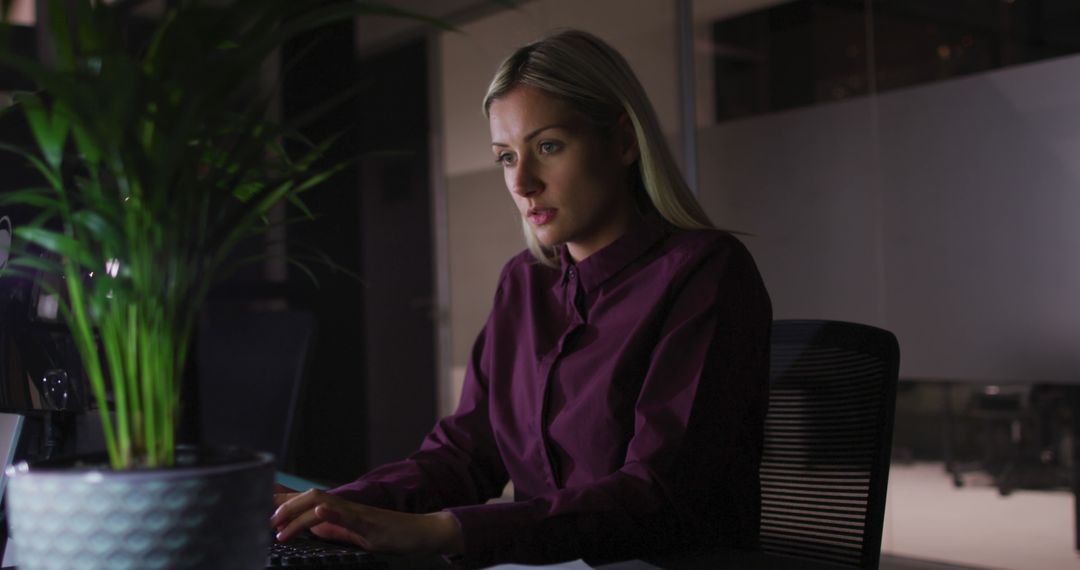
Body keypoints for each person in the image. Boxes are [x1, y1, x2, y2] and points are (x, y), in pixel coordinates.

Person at [271, 29, 772, 567]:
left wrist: (444, 530)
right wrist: (332, 509)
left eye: (548, 146)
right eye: (506, 157)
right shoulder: (524, 283)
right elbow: (464, 454)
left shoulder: (705, 272)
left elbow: (657, 494)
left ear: (624, 141)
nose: (523, 181)